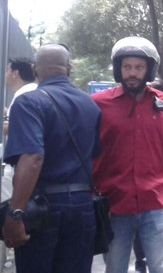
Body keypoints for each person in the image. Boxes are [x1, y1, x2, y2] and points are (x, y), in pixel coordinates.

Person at [3, 44, 101, 272]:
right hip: (82, 206)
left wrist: (15, 213)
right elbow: (95, 154)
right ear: (69, 68)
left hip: (42, 207)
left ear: (35, 70)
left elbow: (32, 157)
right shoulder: (90, 104)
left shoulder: (29, 102)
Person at [92, 36, 163, 273]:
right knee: (115, 268)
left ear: (149, 70)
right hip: (114, 203)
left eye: (139, 67)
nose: (132, 73)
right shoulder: (98, 104)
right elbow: (89, 153)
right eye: (127, 67)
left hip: (156, 201)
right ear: (118, 69)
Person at [3, 58, 37, 201]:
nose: (5, 74)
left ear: (15, 73)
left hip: (21, 163)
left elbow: (17, 129)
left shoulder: (23, 96)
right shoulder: (33, 90)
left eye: (7, 70)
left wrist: (6, 126)